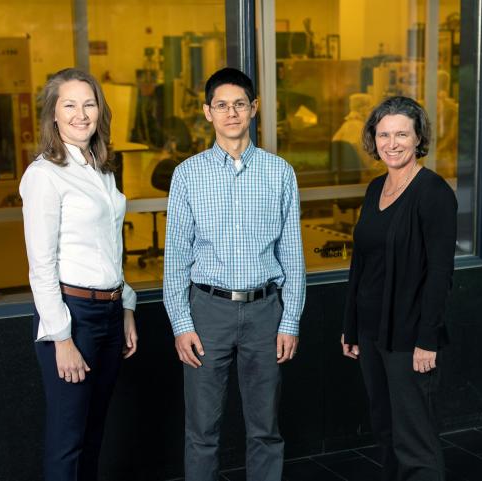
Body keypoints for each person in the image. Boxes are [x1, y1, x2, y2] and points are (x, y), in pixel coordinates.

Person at [163, 67, 305, 481]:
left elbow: (293, 256)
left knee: (265, 429)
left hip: (265, 313)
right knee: (202, 430)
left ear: (254, 109)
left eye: (239, 104)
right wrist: (181, 323)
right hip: (207, 312)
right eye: (221, 105)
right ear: (207, 112)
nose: (231, 113)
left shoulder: (280, 173)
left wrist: (290, 319)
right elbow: (175, 259)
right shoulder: (188, 174)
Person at [20, 68, 138, 481]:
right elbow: (41, 265)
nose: (81, 113)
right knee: (68, 439)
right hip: (72, 317)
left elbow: (110, 246)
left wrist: (125, 307)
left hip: (107, 312)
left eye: (89, 104)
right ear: (53, 114)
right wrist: (62, 340)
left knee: (93, 432)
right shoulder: (44, 175)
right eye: (69, 104)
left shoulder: (101, 169)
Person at [341, 96, 458, 481]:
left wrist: (427, 339)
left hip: (409, 335)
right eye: (384, 134)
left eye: (402, 134)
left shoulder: (434, 192)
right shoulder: (376, 188)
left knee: (415, 439)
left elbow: (440, 274)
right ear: (373, 139)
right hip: (372, 331)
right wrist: (351, 325)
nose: (392, 143)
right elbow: (362, 262)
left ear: (418, 137)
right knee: (386, 429)